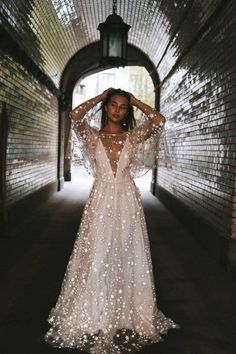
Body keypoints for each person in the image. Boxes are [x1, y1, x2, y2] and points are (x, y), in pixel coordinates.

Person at [45, 88, 179, 353]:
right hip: (100, 201)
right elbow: (74, 115)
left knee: (127, 253)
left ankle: (127, 310)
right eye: (113, 105)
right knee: (96, 254)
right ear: (106, 108)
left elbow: (159, 120)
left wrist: (136, 101)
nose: (118, 110)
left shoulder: (133, 136)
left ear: (127, 111)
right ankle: (95, 309)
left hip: (127, 200)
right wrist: (99, 96)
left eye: (123, 107)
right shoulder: (93, 136)